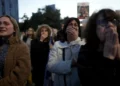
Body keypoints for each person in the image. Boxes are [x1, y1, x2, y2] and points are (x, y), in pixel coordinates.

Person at [77, 8, 120, 86]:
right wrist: (108, 60)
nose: (110, 25)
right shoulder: (85, 52)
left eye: (113, 21)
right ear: (94, 28)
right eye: (103, 22)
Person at [47, 17, 85, 86]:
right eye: (70, 24)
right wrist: (70, 64)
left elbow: (81, 62)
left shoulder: (83, 44)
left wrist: (74, 41)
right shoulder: (57, 44)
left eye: (75, 25)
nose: (73, 26)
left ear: (78, 30)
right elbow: (50, 66)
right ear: (65, 29)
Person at [0, 15, 31, 86]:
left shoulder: (22, 47)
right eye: (0, 23)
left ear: (14, 28)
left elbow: (21, 75)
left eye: (6, 23)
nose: (1, 26)